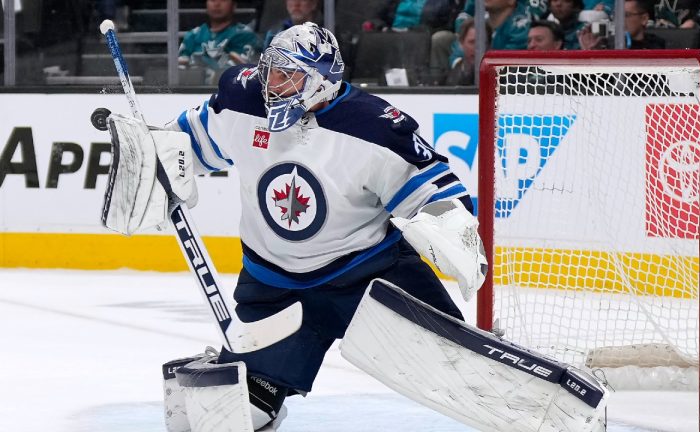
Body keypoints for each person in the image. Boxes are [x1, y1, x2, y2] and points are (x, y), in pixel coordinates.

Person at [154, 22, 486, 430]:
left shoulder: (374, 126)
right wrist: (155, 152)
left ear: (319, 82)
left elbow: (431, 187)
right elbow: (189, 142)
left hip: (369, 275)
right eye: (269, 69)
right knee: (238, 414)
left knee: (461, 367)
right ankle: (243, 376)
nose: (270, 83)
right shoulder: (243, 100)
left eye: (286, 74)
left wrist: (451, 227)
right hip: (275, 287)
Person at [178, 0, 262, 85]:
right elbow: (180, 70)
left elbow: (248, 74)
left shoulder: (245, 35)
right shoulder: (192, 36)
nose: (217, 4)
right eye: (212, 0)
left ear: (234, 5)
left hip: (231, 92)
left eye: (223, 0)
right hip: (191, 92)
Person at [578, 0, 666, 48]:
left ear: (644, 19)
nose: (619, 20)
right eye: (617, 15)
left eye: (626, 15)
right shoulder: (607, 45)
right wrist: (590, 54)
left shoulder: (655, 45)